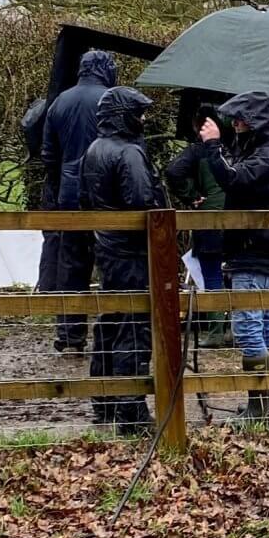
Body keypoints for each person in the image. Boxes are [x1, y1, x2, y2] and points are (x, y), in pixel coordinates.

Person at [200, 92, 269, 424]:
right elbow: (238, 172)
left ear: (255, 120)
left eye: (241, 118)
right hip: (262, 247)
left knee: (248, 327)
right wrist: (222, 146)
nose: (236, 123)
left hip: (257, 248)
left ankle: (260, 406)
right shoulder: (265, 148)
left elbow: (235, 178)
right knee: (266, 324)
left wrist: (214, 145)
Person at [80, 87, 166, 436]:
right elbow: (142, 200)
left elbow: (85, 198)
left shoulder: (93, 148)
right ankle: (131, 411)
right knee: (134, 325)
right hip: (132, 251)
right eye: (139, 113)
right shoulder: (129, 152)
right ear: (124, 115)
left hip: (107, 248)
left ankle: (104, 400)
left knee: (110, 321)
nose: (143, 120)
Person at [40, 50, 117, 354]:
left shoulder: (60, 101)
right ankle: (109, 333)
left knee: (70, 265)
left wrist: (62, 185)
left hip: (68, 197)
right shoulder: (111, 100)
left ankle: (70, 335)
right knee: (109, 263)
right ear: (105, 70)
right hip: (103, 196)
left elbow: (48, 154)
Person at [166, 105, 229, 348]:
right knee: (239, 273)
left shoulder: (198, 151)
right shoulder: (236, 147)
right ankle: (234, 328)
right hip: (238, 215)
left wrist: (191, 195)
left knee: (212, 273)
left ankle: (215, 331)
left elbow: (173, 171)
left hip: (209, 218)